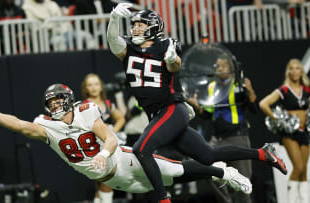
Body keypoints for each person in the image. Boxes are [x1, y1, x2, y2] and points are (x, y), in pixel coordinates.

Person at [106, 3, 287, 202]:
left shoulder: (166, 45)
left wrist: (172, 58)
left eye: (141, 25)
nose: (136, 28)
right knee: (208, 156)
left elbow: (174, 66)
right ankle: (263, 154)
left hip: (171, 109)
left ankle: (162, 199)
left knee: (141, 150)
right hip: (158, 114)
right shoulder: (128, 49)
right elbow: (113, 40)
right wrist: (114, 19)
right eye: (135, 25)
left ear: (154, 27)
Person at [0, 84, 253, 199]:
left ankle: (223, 171)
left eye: (59, 100)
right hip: (113, 178)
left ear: (69, 100)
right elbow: (21, 126)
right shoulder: (47, 125)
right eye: (52, 102)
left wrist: (104, 155)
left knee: (175, 170)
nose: (55, 105)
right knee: (162, 184)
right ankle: (217, 172)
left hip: (121, 158)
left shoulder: (86, 111)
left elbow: (108, 137)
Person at [187, 55, 257, 203]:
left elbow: (253, 109)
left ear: (231, 68)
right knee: (212, 170)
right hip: (217, 139)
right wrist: (197, 107)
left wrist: (250, 91)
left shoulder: (238, 84)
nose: (219, 69)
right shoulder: (212, 86)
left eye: (222, 66)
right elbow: (207, 114)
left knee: (243, 180)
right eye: (217, 66)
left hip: (237, 137)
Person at [259, 58, 310, 203]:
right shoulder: (284, 90)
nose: (295, 71)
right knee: (298, 167)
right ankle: (291, 199)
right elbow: (263, 104)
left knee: (304, 170)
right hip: (289, 133)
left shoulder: (306, 90)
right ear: (288, 71)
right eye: (292, 68)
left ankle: (305, 200)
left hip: (304, 131)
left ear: (301, 71)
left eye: (297, 68)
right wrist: (277, 119)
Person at [81, 73, 126, 203]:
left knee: (105, 179)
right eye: (90, 85)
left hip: (107, 145)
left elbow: (121, 118)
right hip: (93, 146)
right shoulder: (83, 106)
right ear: (86, 88)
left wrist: (112, 131)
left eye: (96, 84)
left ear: (101, 86)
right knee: (103, 179)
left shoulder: (107, 103)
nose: (94, 88)